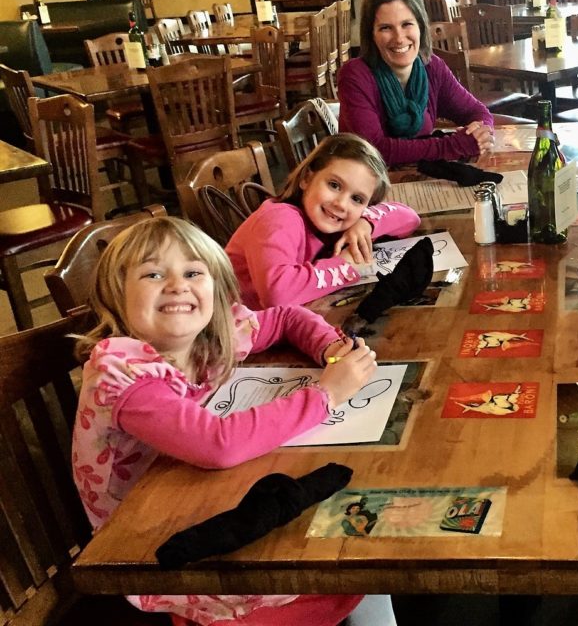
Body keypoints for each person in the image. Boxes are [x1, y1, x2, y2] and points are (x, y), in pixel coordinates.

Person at [70, 216, 387, 625]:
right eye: (153, 273)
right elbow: (217, 445)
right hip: (150, 537)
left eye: (192, 272)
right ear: (116, 296)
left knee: (350, 524)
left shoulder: (210, 334)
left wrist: (331, 349)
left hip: (200, 487)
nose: (177, 285)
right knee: (335, 554)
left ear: (216, 289)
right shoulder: (123, 373)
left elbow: (288, 317)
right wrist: (326, 394)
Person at [227, 133, 420, 309]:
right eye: (334, 185)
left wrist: (366, 223)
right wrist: (345, 265)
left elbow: (410, 218)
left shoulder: (341, 220)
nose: (341, 204)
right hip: (234, 335)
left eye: (357, 199)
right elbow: (277, 295)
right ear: (306, 179)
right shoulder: (279, 218)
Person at [337, 0, 495, 166]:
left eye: (407, 24)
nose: (399, 38)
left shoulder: (433, 68)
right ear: (371, 34)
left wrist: (480, 133)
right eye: (386, 28)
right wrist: (452, 146)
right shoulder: (355, 75)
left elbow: (477, 111)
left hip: (420, 180)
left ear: (420, 26)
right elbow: (374, 151)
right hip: (368, 186)